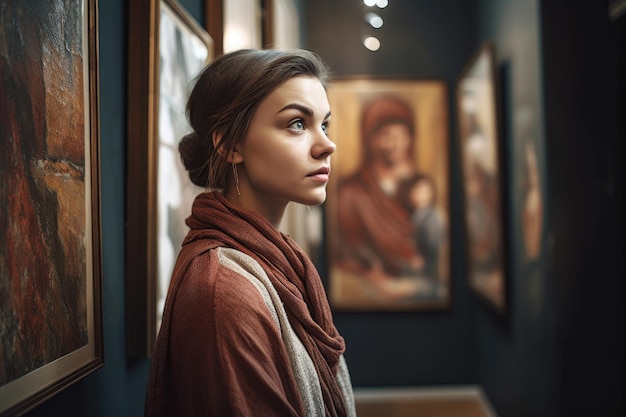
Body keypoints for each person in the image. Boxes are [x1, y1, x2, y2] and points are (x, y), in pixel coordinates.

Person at [145, 49, 356, 417]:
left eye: (324, 124)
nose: (326, 145)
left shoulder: (278, 261)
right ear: (229, 144)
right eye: (296, 124)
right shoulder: (225, 291)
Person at [334, 96, 422, 297]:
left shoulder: (418, 187)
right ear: (370, 139)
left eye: (402, 136)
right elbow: (349, 250)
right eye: (386, 135)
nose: (395, 144)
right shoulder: (352, 192)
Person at [398, 173, 445, 282]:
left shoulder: (432, 216)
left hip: (426, 269)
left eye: (426, 192)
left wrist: (420, 259)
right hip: (413, 264)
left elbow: (433, 246)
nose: (422, 196)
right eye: (418, 192)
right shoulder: (414, 215)